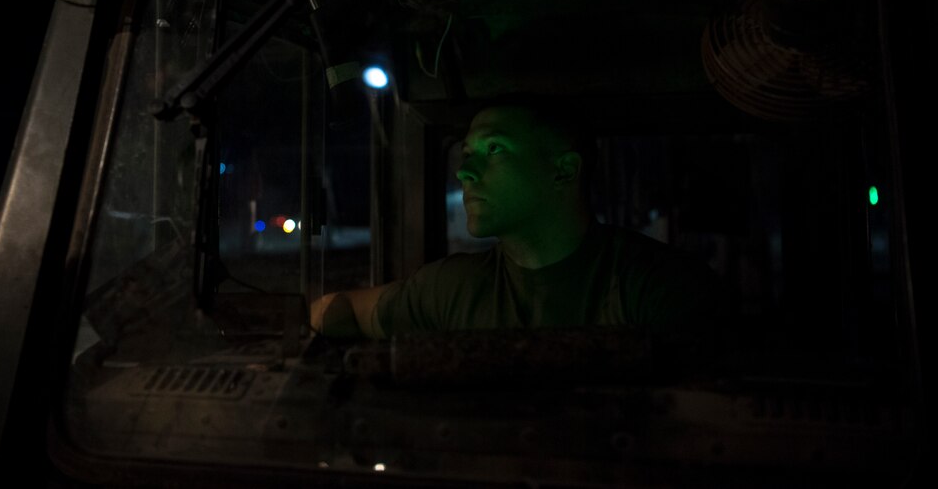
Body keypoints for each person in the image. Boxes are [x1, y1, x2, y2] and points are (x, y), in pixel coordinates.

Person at [309, 94, 726, 345]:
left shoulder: (660, 289)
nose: (464, 171)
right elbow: (341, 308)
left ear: (563, 170)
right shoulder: (450, 289)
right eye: (466, 152)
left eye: (494, 150)